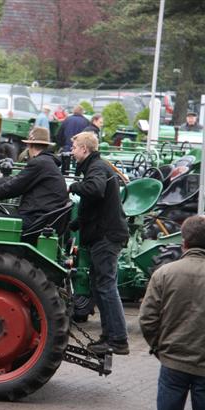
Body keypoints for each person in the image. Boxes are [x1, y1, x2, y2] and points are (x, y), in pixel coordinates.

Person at [139, 215, 205, 410]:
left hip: (173, 362)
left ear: (183, 242)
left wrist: (159, 347)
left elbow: (147, 319)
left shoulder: (164, 274)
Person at [68, 131, 129, 355]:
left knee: (105, 286)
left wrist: (73, 187)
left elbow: (95, 190)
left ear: (84, 149)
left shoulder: (97, 168)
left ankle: (118, 339)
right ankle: (108, 337)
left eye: (74, 148)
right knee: (98, 286)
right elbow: (95, 206)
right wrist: (75, 224)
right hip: (103, 234)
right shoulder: (96, 167)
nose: (72, 152)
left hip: (107, 237)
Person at [0, 126, 68, 230]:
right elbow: (16, 179)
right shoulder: (45, 162)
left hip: (37, 220)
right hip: (42, 218)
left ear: (29, 144)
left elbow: (14, 187)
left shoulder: (40, 163)